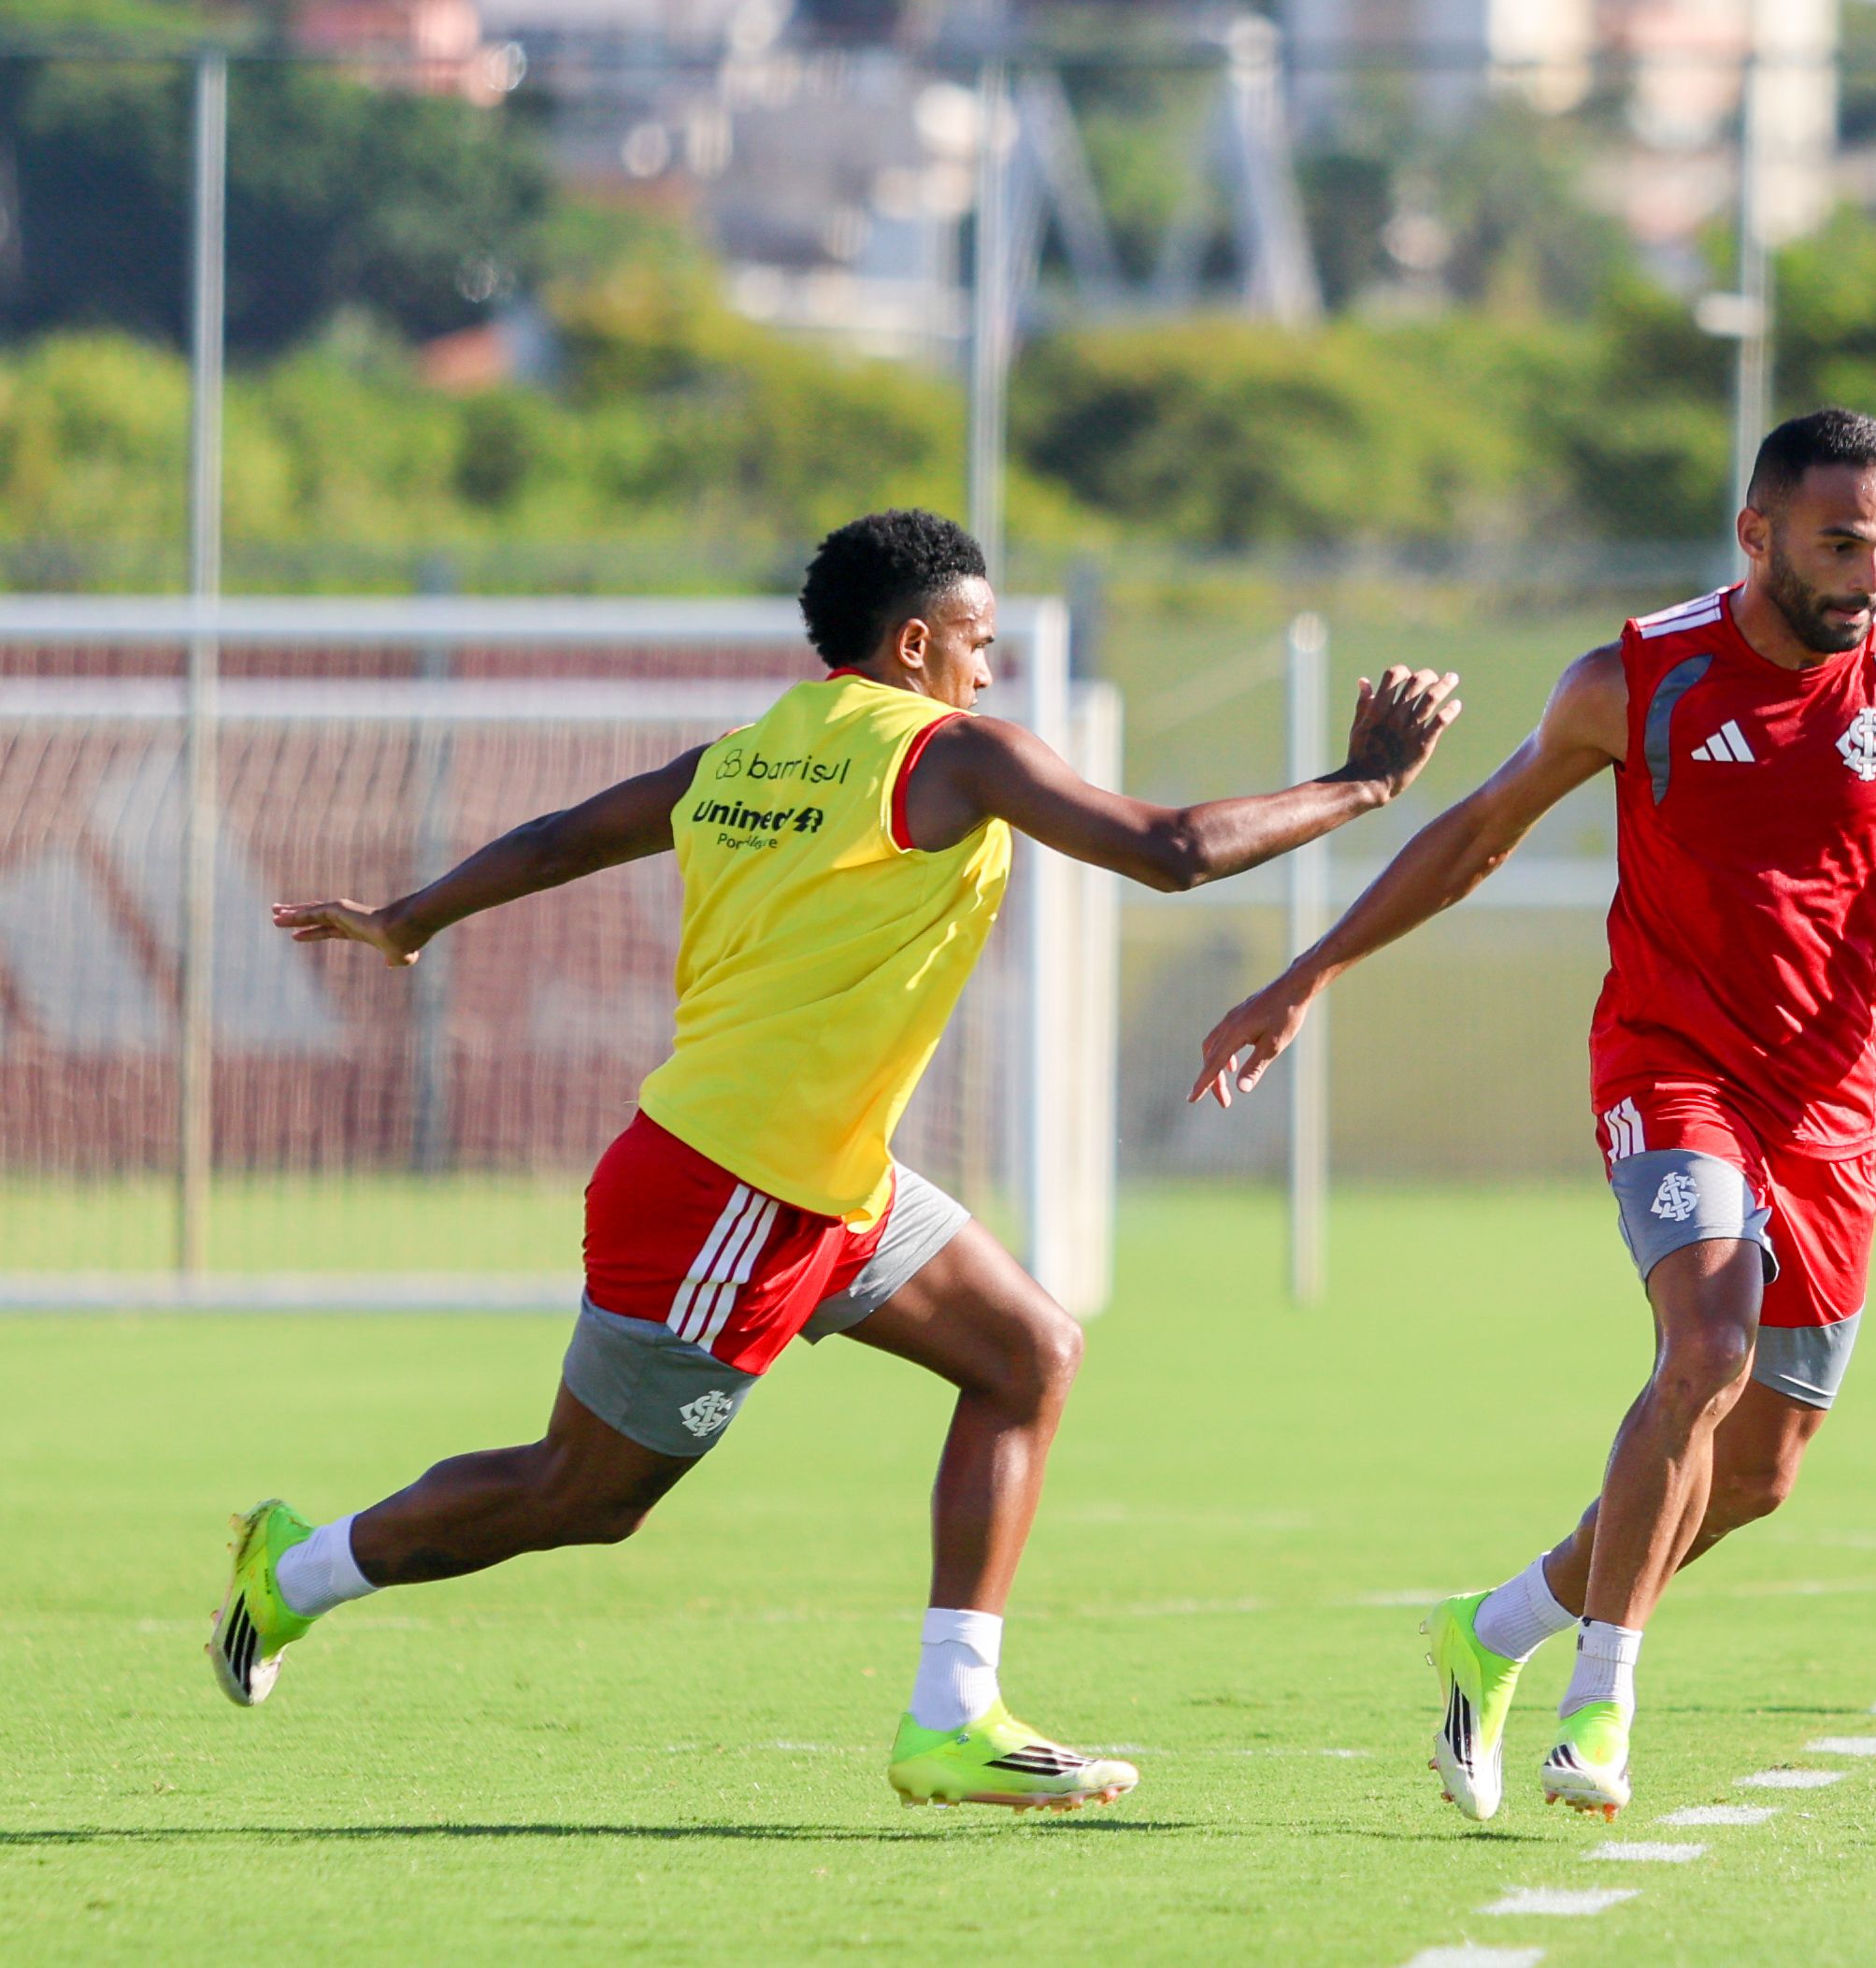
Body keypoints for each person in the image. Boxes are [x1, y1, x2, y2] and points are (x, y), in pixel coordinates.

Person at [222, 509, 1461, 1813]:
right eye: (980, 643)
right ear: (915, 641)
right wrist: (1363, 784)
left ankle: (955, 1718)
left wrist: (413, 918)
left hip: (828, 1179)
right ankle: (295, 1572)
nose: (993, 669)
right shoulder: (954, 753)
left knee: (1028, 1351)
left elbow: (560, 839)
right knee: (581, 1496)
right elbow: (1173, 850)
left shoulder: (752, 752)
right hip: (729, 1193)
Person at [1190, 409, 1876, 1821]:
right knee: (1708, 1343)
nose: (1867, 574)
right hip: (1669, 1068)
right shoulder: (1637, 679)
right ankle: (1602, 1706)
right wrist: (1305, 977)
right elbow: (1477, 836)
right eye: (1837, 544)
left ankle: (1493, 1629)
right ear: (1756, 536)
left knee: (1756, 1475)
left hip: (1829, 1108)